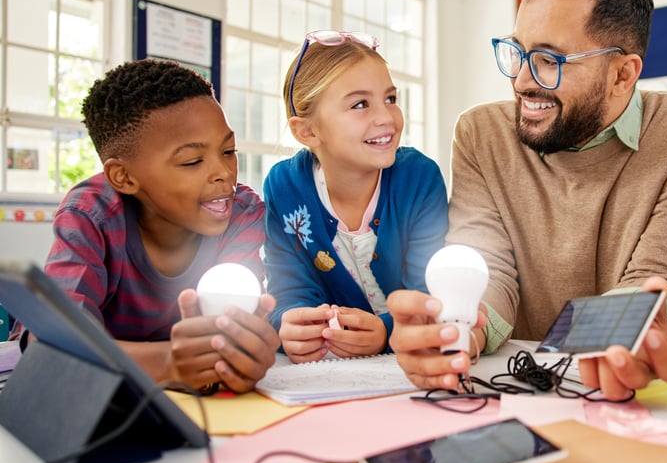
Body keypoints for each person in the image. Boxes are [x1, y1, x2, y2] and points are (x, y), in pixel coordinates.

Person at [387, 0, 667, 399]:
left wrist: (620, 335)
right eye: (518, 53)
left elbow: (663, 274)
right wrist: (461, 330)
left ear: (622, 74)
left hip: (638, 392)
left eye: (550, 59)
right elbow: (487, 266)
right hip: (512, 389)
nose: (522, 81)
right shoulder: (479, 132)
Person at [36, 58, 280, 393]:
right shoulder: (91, 213)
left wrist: (245, 352)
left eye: (228, 150)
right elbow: (57, 343)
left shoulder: (242, 213)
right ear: (123, 176)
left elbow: (234, 340)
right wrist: (168, 363)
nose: (224, 172)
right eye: (192, 161)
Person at [263, 31, 448, 363]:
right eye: (360, 104)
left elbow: (431, 294)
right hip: (327, 373)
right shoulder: (283, 187)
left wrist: (386, 332)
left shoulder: (419, 179)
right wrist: (289, 327)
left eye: (390, 98)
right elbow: (287, 293)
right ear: (307, 131)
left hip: (412, 365)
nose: (387, 118)